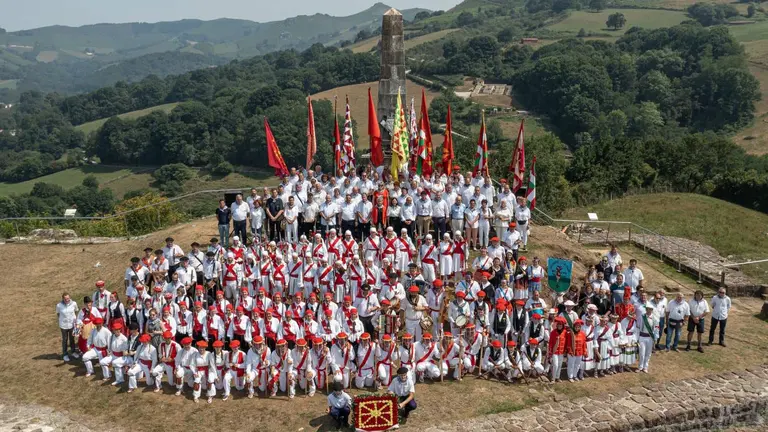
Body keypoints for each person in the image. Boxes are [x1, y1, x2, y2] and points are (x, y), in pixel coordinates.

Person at [637, 303, 659, 373]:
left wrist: (655, 338)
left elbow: (656, 329)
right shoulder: (641, 317)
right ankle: (640, 367)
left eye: (650, 309)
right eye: (647, 309)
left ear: (652, 310)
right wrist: (637, 337)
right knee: (641, 353)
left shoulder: (655, 318)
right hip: (642, 337)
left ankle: (645, 367)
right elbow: (638, 326)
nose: (648, 310)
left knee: (648, 353)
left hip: (650, 338)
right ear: (646, 309)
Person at [57, 292, 78, 362]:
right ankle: (65, 354)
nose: (67, 300)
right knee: (65, 339)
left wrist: (75, 320)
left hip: (72, 324)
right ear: (63, 299)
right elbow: (58, 314)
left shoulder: (74, 303)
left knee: (72, 339)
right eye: (65, 299)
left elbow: (76, 311)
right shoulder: (59, 305)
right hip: (63, 325)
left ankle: (73, 351)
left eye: (68, 298)